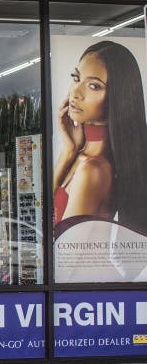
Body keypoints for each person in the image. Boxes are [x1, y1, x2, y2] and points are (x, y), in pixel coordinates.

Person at [53, 41, 147, 236]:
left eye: (94, 86)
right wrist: (68, 151)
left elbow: (61, 250)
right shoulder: (80, 157)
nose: (76, 93)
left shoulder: (93, 170)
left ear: (117, 97)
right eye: (76, 78)